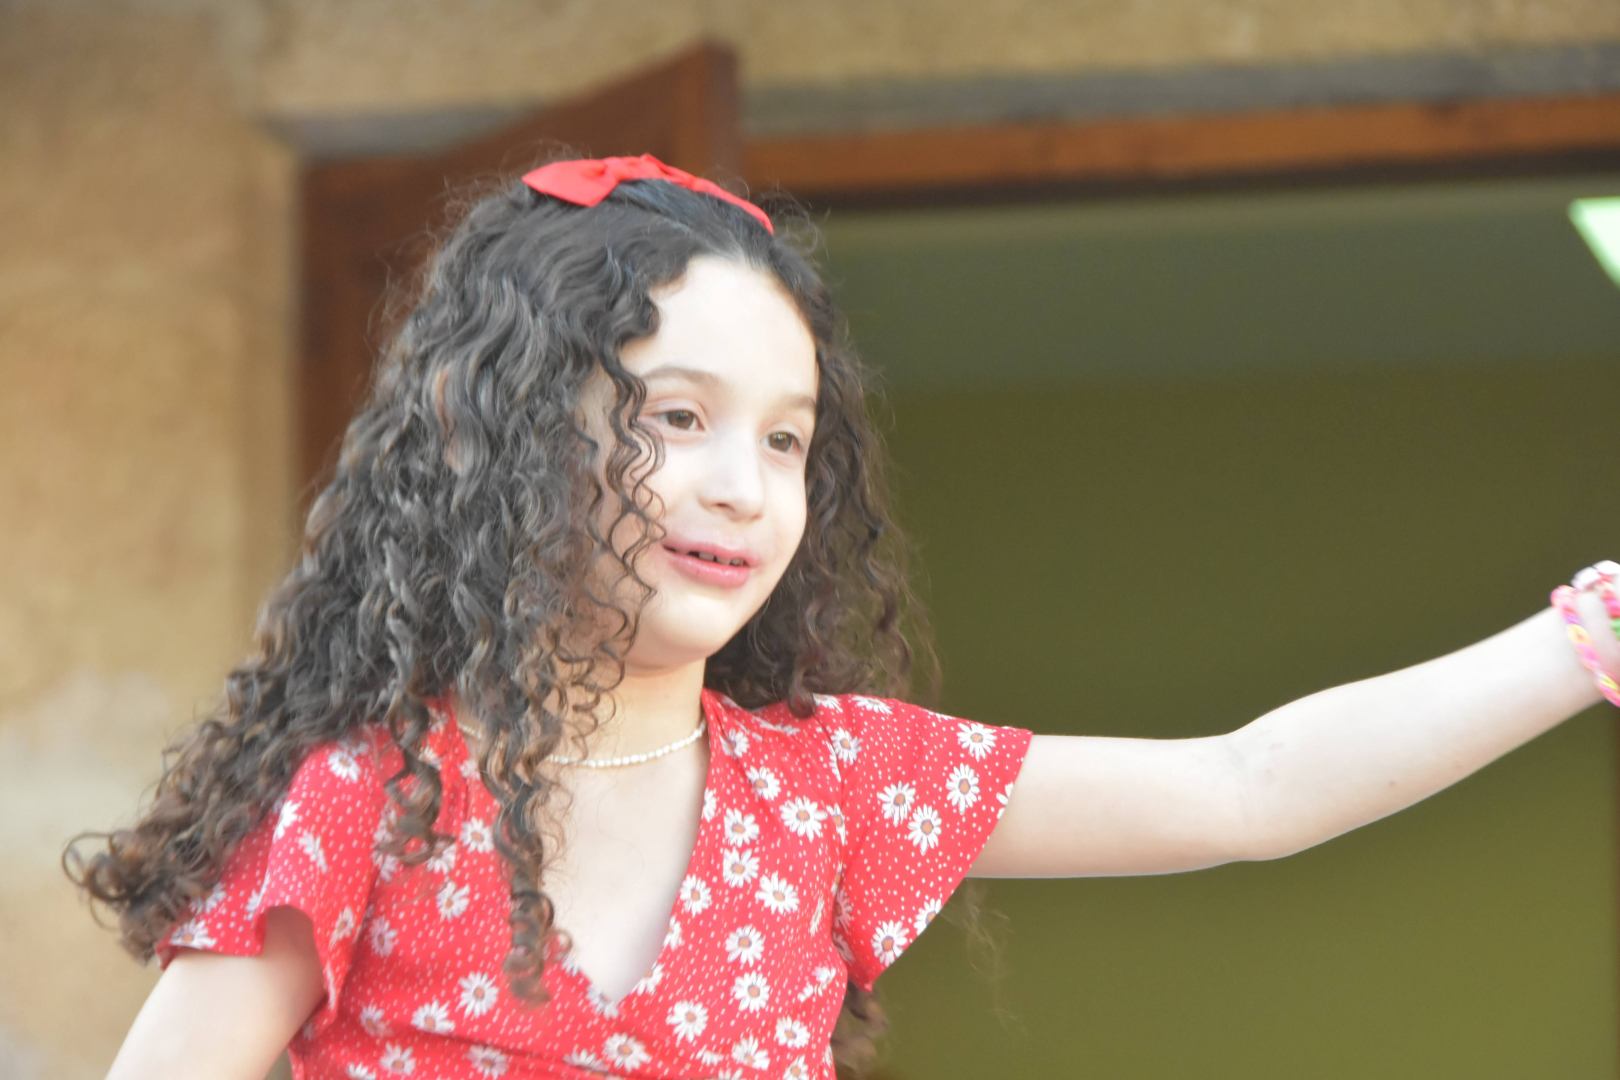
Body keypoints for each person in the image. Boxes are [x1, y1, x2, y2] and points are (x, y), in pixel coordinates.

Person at [67, 154, 1620, 1080]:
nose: (740, 485)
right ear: (501, 433)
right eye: (676, 417)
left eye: (787, 439)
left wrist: (1586, 639)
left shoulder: (831, 786)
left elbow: (1248, 788)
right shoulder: (362, 801)